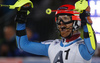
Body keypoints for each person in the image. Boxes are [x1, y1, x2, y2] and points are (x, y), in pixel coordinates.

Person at [15, 3, 97, 63]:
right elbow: (22, 45)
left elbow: (91, 49)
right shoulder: (52, 46)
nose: (61, 23)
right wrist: (21, 19)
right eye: (59, 19)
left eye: (65, 18)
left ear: (76, 22)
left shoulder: (81, 47)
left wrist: (86, 21)